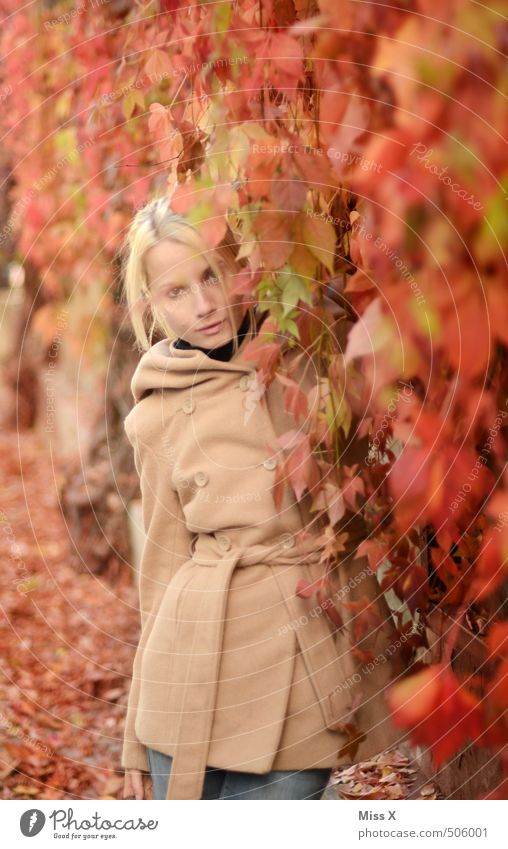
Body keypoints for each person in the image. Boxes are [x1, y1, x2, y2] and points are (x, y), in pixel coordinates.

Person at [119, 196, 405, 800]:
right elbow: (161, 568)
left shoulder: (307, 364)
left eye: (210, 276)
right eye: (174, 292)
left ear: (239, 268)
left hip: (297, 653)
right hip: (187, 666)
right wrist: (132, 736)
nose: (203, 306)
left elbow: (359, 516)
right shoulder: (154, 418)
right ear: (150, 305)